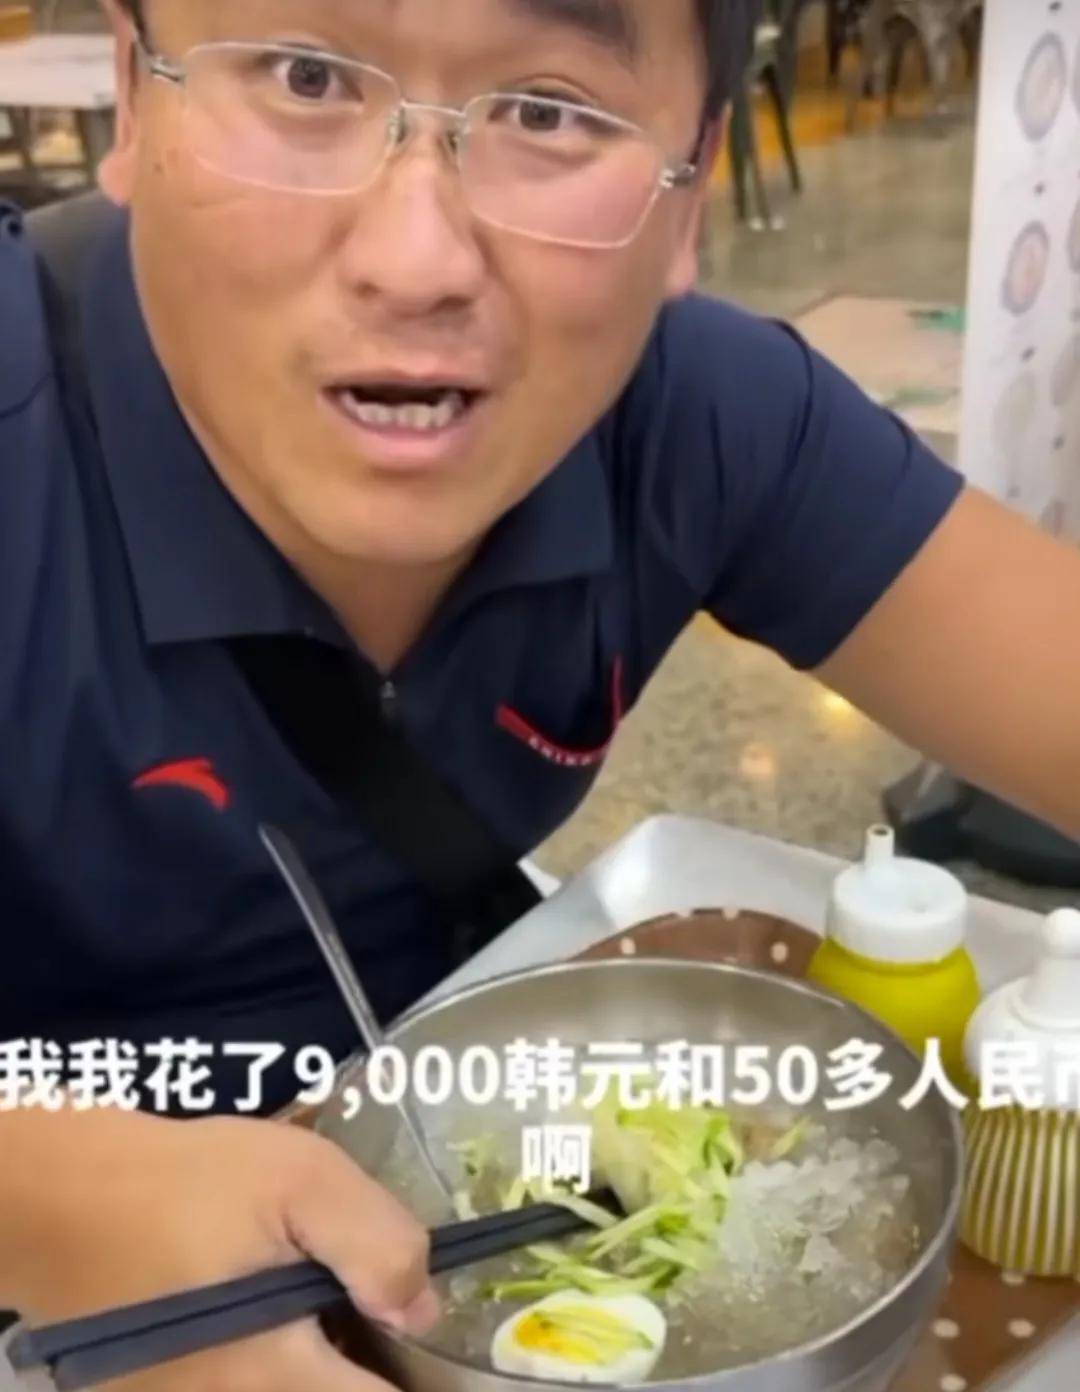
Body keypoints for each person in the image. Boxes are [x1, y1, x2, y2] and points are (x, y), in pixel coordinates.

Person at [2, 0, 1080, 1388]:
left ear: (692, 186)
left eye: (548, 112)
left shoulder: (688, 417)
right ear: (133, 98)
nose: (414, 261)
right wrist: (43, 1198)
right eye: (307, 77)